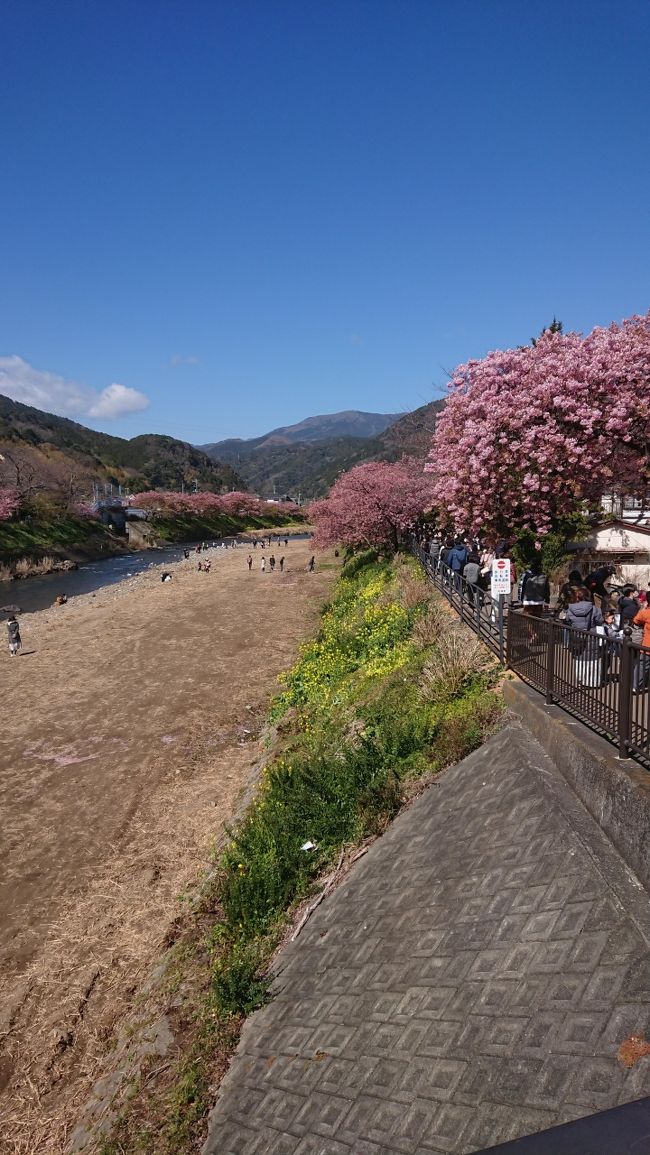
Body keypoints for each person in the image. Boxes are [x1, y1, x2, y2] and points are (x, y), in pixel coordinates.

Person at [632, 600, 650, 693]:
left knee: (642, 665)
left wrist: (644, 607)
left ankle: (635, 685)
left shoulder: (646, 613)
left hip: (647, 644)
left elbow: (636, 620)